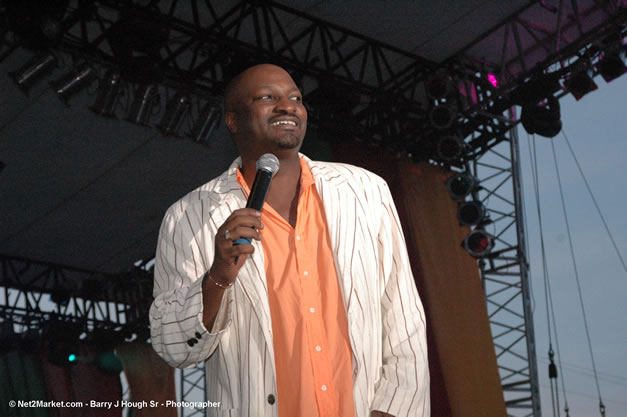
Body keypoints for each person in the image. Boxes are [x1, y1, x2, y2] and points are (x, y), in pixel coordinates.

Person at [149, 63, 430, 417]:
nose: (287, 106)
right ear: (233, 120)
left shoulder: (365, 191)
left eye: (295, 98)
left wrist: (393, 411)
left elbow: (403, 317)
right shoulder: (189, 216)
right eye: (267, 97)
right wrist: (217, 277)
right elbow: (174, 347)